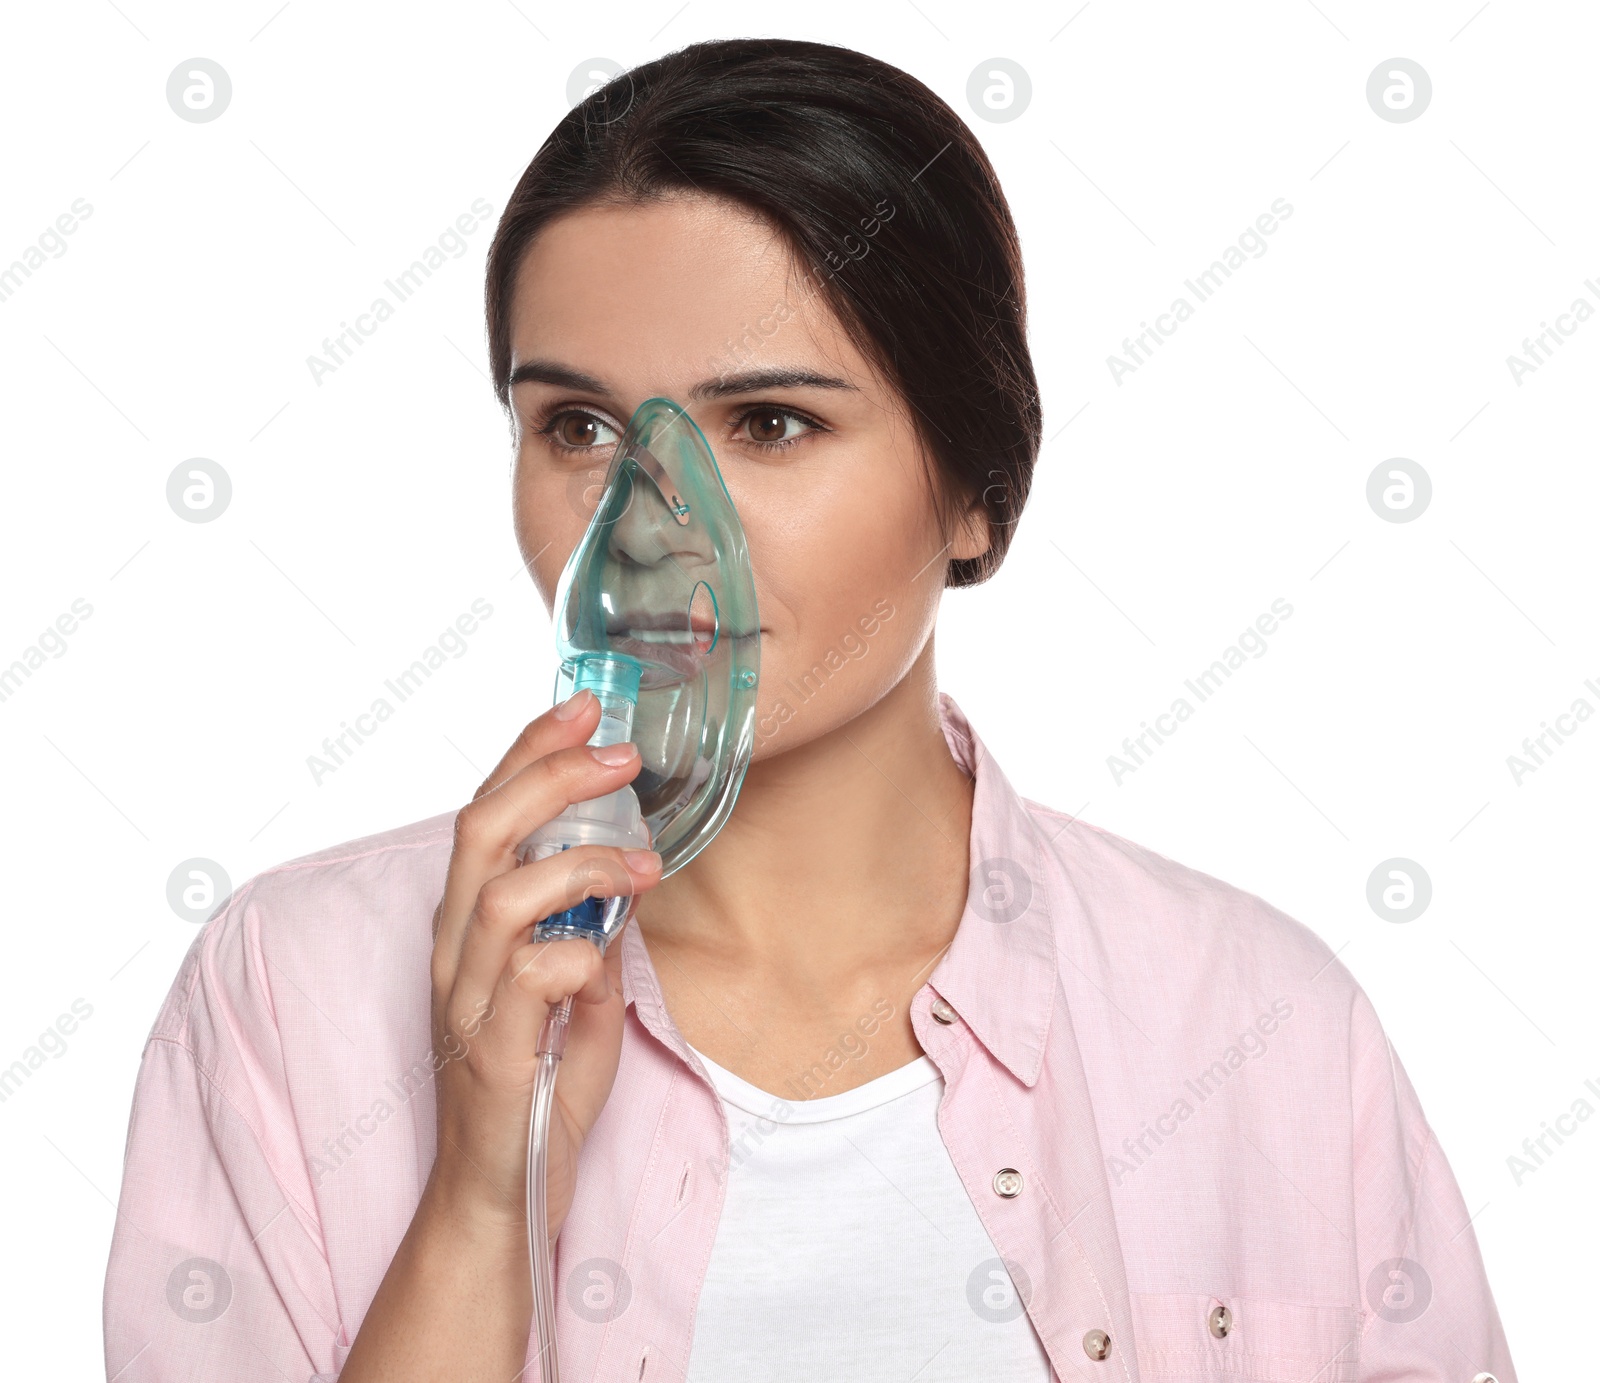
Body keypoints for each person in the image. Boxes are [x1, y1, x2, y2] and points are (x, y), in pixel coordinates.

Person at [103, 37, 1516, 1383]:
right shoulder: (289, 998)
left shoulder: (1258, 1027)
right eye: (578, 429)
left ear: (972, 488)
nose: (653, 529)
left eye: (770, 423)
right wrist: (483, 1194)